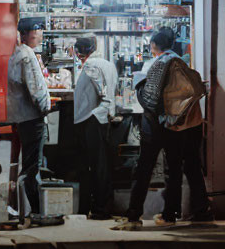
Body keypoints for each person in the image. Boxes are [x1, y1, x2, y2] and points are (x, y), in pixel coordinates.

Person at [116, 28, 210, 231]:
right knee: (173, 170)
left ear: (153, 45)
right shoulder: (182, 62)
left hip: (155, 126)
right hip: (177, 126)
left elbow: (149, 99)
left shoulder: (157, 63)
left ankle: (133, 216)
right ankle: (170, 215)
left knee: (143, 170)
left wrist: (139, 87)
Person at [7, 22, 52, 220]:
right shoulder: (26, 55)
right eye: (37, 31)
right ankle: (34, 212)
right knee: (32, 168)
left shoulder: (16, 53)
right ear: (25, 34)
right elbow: (36, 89)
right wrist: (46, 107)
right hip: (32, 117)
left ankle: (29, 211)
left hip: (22, 117)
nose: (40, 34)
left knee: (29, 165)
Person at [72, 36, 117, 220]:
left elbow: (103, 93)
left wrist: (99, 111)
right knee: (101, 165)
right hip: (99, 117)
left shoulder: (91, 66)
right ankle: (100, 206)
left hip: (93, 118)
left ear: (79, 51)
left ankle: (100, 208)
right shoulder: (106, 63)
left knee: (96, 166)